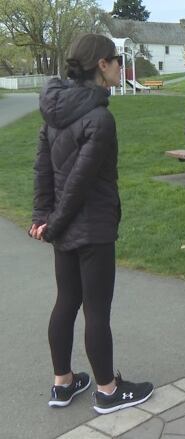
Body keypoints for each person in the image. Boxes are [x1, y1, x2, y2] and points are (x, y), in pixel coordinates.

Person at [31, 33, 153, 414]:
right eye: (117, 59)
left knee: (66, 302)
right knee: (95, 309)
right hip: (91, 227)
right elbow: (79, 182)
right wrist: (49, 222)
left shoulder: (54, 110)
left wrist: (44, 218)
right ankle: (107, 391)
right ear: (102, 64)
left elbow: (43, 173)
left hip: (64, 226)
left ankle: (63, 384)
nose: (121, 66)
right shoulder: (100, 118)